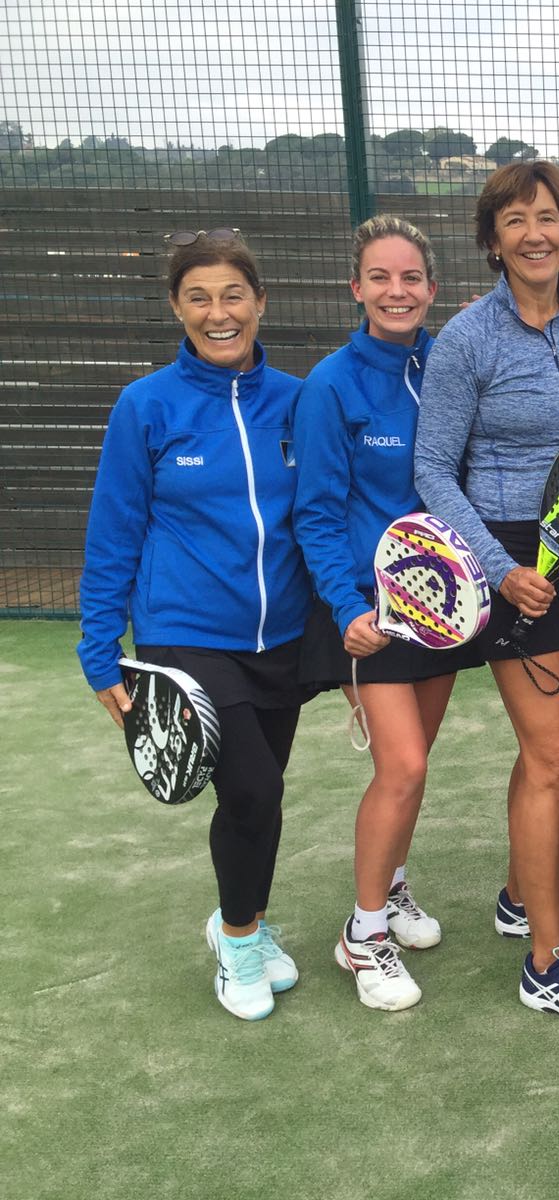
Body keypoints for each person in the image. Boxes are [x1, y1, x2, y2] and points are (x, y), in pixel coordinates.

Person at [413, 161, 559, 1029]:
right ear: (492, 240)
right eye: (514, 219)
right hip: (513, 561)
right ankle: (546, 963)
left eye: (547, 216)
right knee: (552, 756)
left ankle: (522, 894)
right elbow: (432, 468)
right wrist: (495, 567)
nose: (534, 232)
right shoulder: (466, 339)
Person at [77, 229, 310, 1020]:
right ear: (176, 308)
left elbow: (319, 517)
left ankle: (244, 918)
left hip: (281, 638)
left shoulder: (298, 400)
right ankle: (238, 942)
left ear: (260, 302)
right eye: (199, 298)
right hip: (184, 635)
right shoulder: (146, 406)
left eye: (233, 295)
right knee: (253, 787)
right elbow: (113, 534)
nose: (219, 313)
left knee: (260, 797)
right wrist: (99, 652)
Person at [293, 215, 477, 1011]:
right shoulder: (330, 384)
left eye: (410, 278)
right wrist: (346, 608)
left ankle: (393, 886)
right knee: (402, 767)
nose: (396, 291)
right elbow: (315, 512)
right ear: (357, 288)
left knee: (412, 761)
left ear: (431, 290)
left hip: (441, 608)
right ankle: (363, 936)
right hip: (366, 614)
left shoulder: (448, 365)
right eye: (380, 277)